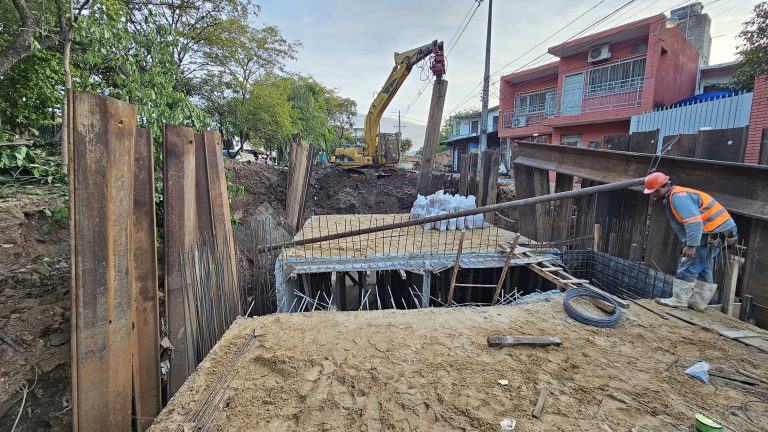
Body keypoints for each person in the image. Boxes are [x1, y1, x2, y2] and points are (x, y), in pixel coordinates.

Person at [643, 172, 737, 311]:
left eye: (656, 191)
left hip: (713, 232)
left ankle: (679, 300)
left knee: (689, 263)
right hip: (718, 231)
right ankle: (699, 303)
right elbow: (686, 223)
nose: (654, 194)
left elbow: (694, 223)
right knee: (702, 265)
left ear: (666, 186)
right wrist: (687, 240)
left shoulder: (678, 198)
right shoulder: (674, 196)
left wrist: (692, 245)